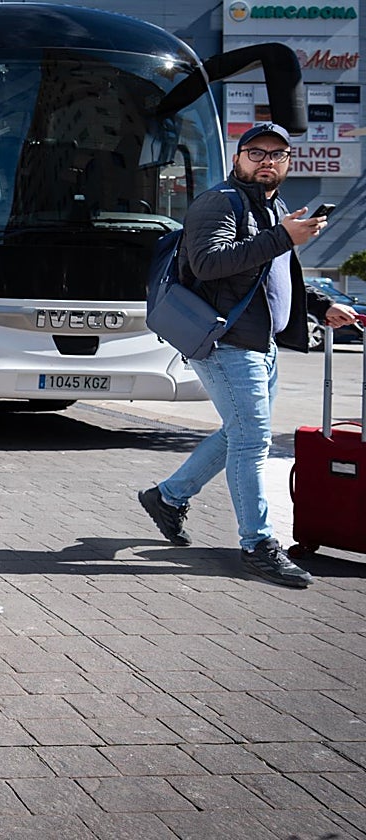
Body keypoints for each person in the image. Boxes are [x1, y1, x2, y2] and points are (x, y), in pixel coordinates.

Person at [138, 123, 358, 588]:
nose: (266, 161)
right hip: (226, 343)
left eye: (277, 154)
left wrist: (321, 306)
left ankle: (169, 497)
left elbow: (272, 277)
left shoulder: (273, 207)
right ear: (237, 159)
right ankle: (258, 544)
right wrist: (284, 237)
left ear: (287, 163)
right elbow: (208, 264)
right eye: (255, 152)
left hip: (263, 344)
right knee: (252, 441)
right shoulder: (220, 202)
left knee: (237, 433)